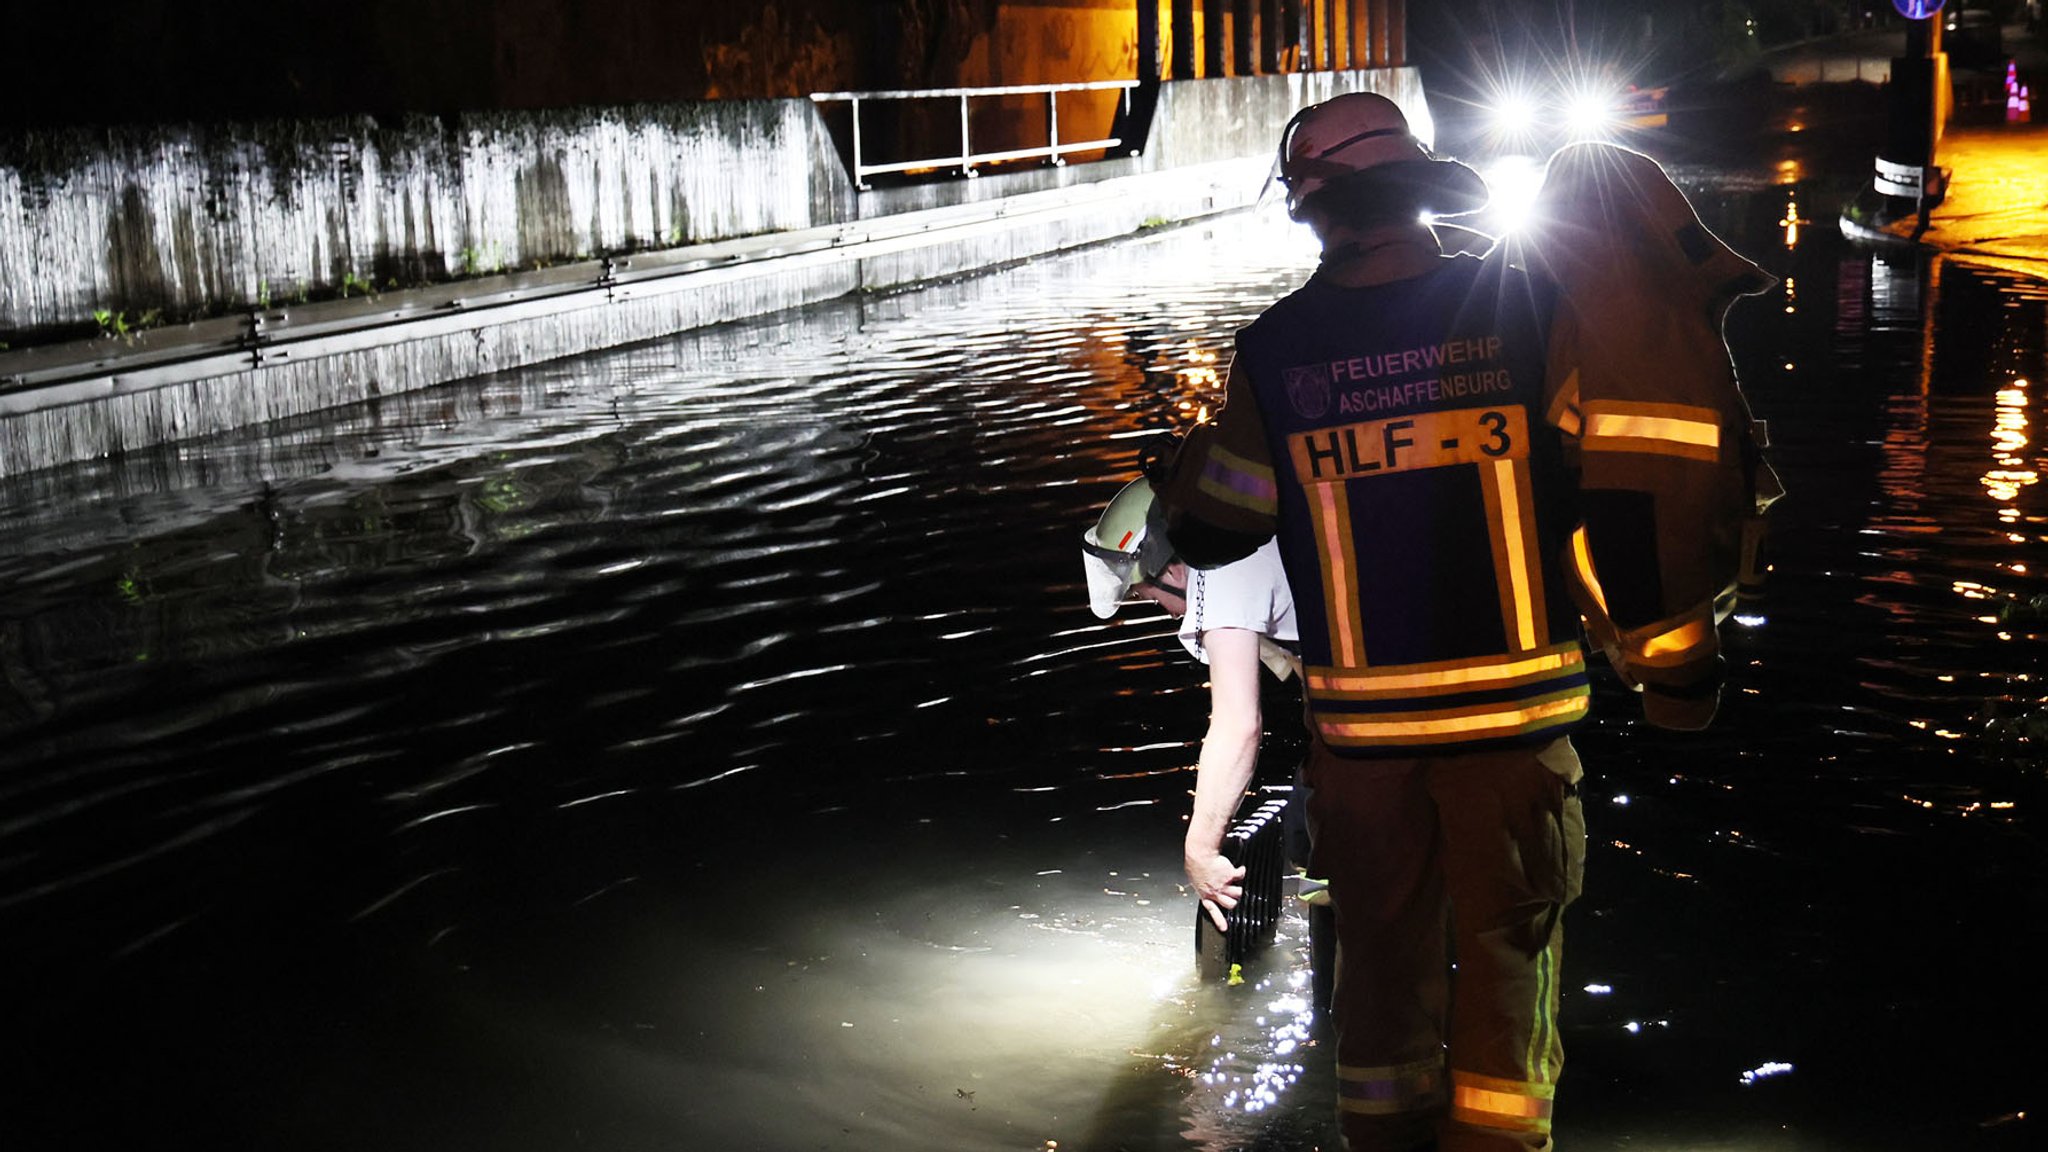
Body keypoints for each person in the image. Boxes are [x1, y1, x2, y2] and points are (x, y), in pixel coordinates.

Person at [1149, 93, 1765, 1152]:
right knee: (1506, 976)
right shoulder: (1529, 308)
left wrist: (1183, 464)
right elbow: (1617, 486)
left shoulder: (1275, 349)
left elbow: (1209, 531)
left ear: (1312, 209)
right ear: (1422, 186)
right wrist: (1671, 659)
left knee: (1380, 991)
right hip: (1512, 737)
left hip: (1366, 752)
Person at [1080, 471, 1301, 935]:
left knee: (1321, 829)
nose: (1159, 607)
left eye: (1146, 593)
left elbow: (1238, 724)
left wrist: (1199, 847)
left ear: (1172, 567)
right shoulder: (1251, 537)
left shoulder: (1222, 572)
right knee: (1311, 809)